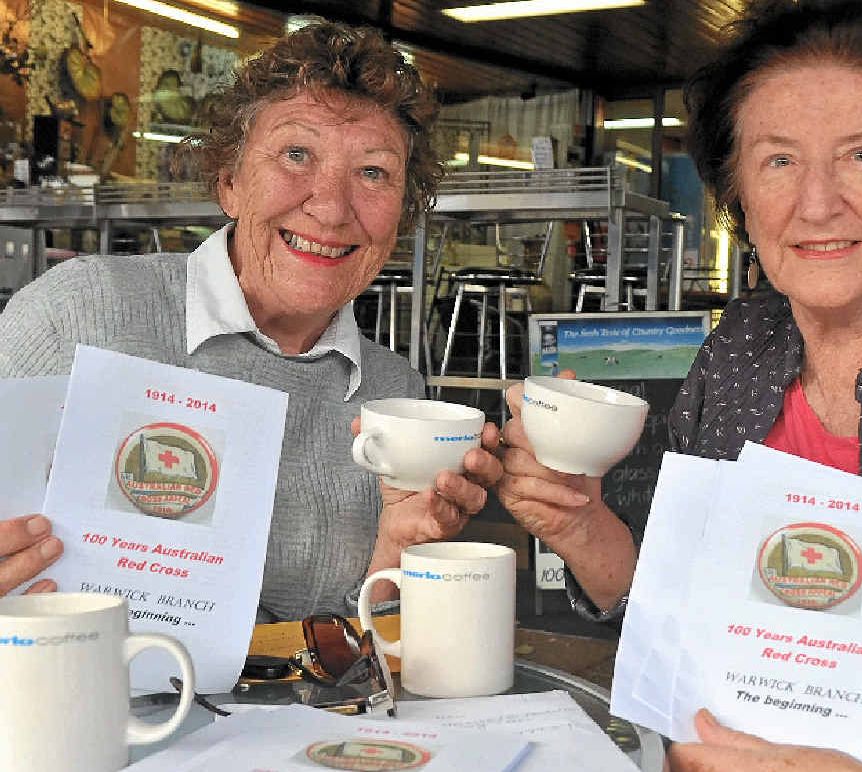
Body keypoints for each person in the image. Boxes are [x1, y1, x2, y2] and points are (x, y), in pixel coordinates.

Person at [497, 1, 862, 770]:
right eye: (779, 160)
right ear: (740, 192)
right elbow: (682, 622)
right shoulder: (742, 347)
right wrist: (581, 526)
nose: (816, 202)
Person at [0, 22, 501, 620]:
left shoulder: (393, 396)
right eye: (296, 155)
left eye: (373, 173)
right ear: (230, 182)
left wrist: (398, 548)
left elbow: (346, 648)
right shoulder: (81, 314)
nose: (332, 208)